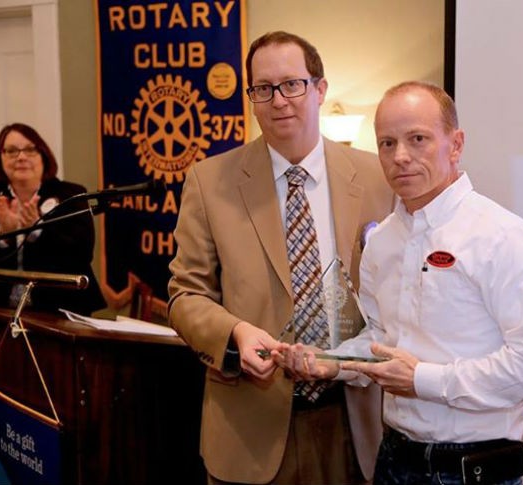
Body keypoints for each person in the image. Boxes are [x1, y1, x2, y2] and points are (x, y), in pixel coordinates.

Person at [277, 81, 523, 485]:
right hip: (394, 457)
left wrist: (423, 380)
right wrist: (332, 364)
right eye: (386, 143)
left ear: (456, 144)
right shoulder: (381, 242)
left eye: (417, 139)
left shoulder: (503, 236)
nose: (400, 157)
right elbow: (380, 339)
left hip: (474, 468)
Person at [167, 31, 393, 485]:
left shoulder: (378, 177)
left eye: (293, 84)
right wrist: (234, 332)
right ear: (251, 96)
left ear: (320, 89)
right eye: (263, 89)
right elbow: (185, 296)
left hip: (354, 424)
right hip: (249, 430)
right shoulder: (210, 182)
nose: (279, 100)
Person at [0, 123, 106, 316]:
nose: (21, 157)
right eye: (11, 151)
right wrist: (5, 237)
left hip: (60, 311)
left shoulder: (72, 195)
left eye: (29, 149)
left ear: (44, 155)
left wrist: (37, 232)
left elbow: (81, 255)